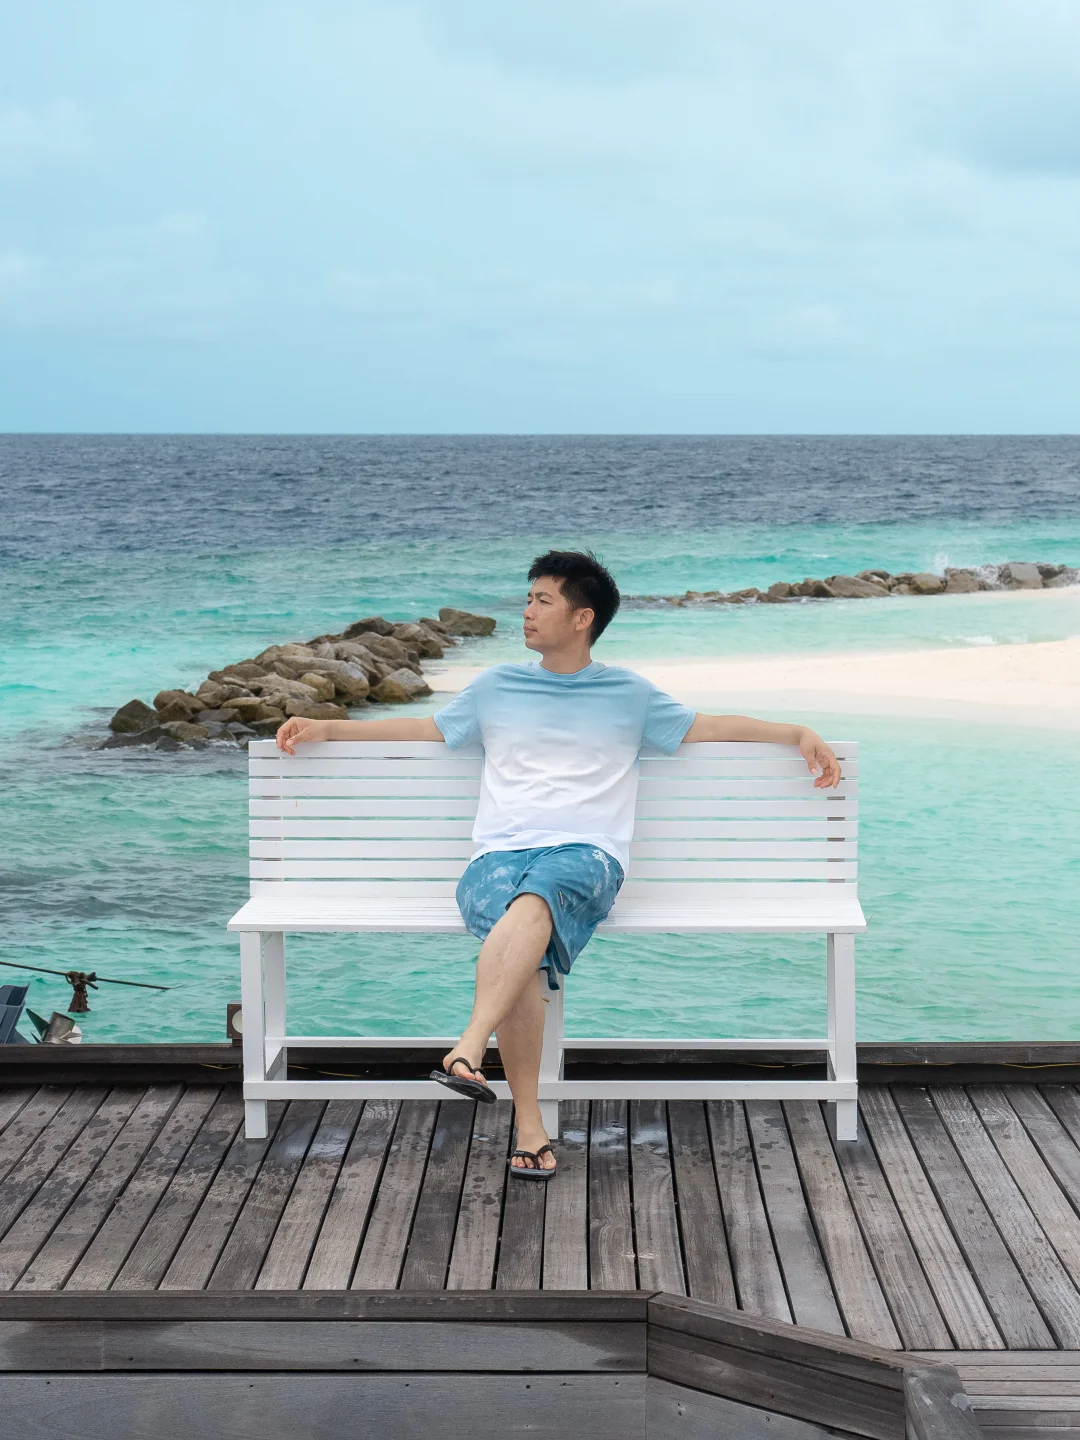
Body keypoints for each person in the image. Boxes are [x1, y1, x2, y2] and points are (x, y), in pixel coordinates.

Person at [275, 551, 840, 1180]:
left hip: (587, 856)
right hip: (496, 858)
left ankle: (470, 1046)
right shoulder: (495, 687)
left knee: (536, 901)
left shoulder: (629, 694)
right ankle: (527, 1124)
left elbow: (709, 725)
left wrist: (794, 732)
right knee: (525, 941)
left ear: (582, 617)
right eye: (528, 598)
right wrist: (329, 727)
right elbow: (428, 729)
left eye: (542, 600)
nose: (527, 611)